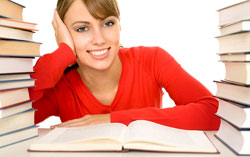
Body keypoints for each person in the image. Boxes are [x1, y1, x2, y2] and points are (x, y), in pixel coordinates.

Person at [29, 0, 220, 130]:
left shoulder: (152, 59)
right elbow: (9, 121)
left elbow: (212, 112)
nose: (99, 39)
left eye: (107, 24)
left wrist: (110, 120)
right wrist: (62, 53)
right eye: (82, 28)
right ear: (64, 34)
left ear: (119, 25)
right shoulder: (60, 85)